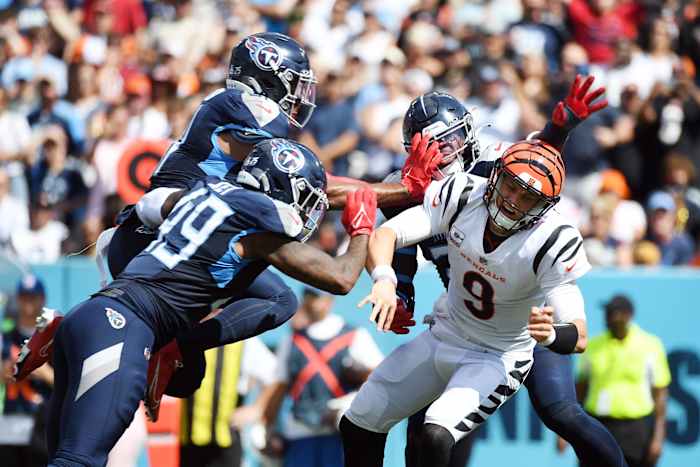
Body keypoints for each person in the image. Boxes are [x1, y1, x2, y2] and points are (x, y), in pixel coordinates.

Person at [38, 138, 378, 466]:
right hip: (124, 327)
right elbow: (342, 277)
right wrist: (362, 228)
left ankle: (168, 345)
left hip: (93, 315)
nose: (306, 210)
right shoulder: (256, 230)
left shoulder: (203, 191)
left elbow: (148, 208)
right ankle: (171, 346)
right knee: (78, 460)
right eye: (303, 197)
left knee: (69, 456)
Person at [383, 79, 626, 467]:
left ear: (466, 134)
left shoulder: (494, 167)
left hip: (526, 316)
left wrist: (558, 130)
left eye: (448, 141)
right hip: (466, 321)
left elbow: (536, 165)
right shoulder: (407, 187)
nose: (442, 154)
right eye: (430, 146)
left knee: (560, 410)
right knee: (428, 428)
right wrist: (401, 291)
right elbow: (399, 244)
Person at [340, 138, 593, 467]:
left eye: (528, 197)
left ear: (545, 206)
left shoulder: (552, 240)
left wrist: (551, 335)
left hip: (496, 357)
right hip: (444, 334)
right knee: (359, 421)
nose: (513, 202)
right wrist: (385, 280)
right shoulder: (463, 194)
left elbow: (580, 334)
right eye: (510, 186)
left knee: (435, 433)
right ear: (495, 175)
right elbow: (387, 234)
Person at [261, 287, 383, 467]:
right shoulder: (292, 341)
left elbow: (379, 377)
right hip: (300, 433)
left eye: (317, 297)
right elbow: (278, 387)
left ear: (329, 300)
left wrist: (348, 404)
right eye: (308, 297)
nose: (312, 302)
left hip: (339, 434)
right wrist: (268, 430)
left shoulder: (353, 336)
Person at [576, 295, 671, 467]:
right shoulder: (593, 345)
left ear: (628, 315)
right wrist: (567, 432)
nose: (608, 317)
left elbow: (660, 394)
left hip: (636, 428)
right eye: (607, 312)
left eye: (614, 313)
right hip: (598, 424)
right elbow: (581, 388)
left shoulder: (650, 345)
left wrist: (658, 437)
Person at [179, 336, 277, 467]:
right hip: (188, 441)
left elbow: (276, 375)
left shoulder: (244, 339)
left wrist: (256, 409)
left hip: (228, 441)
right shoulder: (187, 334)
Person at [0, 276, 53, 467]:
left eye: (33, 297)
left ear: (43, 299)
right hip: (13, 416)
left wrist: (44, 372)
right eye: (24, 297)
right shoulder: (6, 337)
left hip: (42, 419)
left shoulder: (53, 337)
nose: (28, 303)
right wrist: (7, 371)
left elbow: (67, 382)